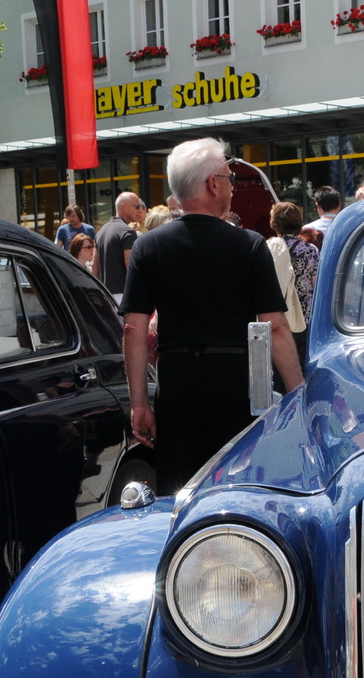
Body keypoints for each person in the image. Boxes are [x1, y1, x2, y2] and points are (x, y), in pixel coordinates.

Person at [120, 138, 303, 493]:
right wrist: (297, 393)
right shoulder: (250, 245)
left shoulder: (148, 246)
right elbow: (276, 328)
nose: (232, 186)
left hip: (177, 385)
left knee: (181, 493)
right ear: (213, 183)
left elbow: (133, 330)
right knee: (239, 488)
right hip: (237, 385)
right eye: (229, 178)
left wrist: (139, 402)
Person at [266, 200, 319, 373]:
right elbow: (315, 283)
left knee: (280, 368)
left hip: (278, 314)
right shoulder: (309, 250)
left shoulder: (268, 249)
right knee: (302, 365)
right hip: (304, 316)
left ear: (275, 223)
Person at [96, 191, 147, 297]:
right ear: (124, 207)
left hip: (105, 294)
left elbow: (94, 267)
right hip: (124, 294)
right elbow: (131, 266)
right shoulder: (127, 231)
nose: (139, 210)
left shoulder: (101, 231)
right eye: (136, 206)